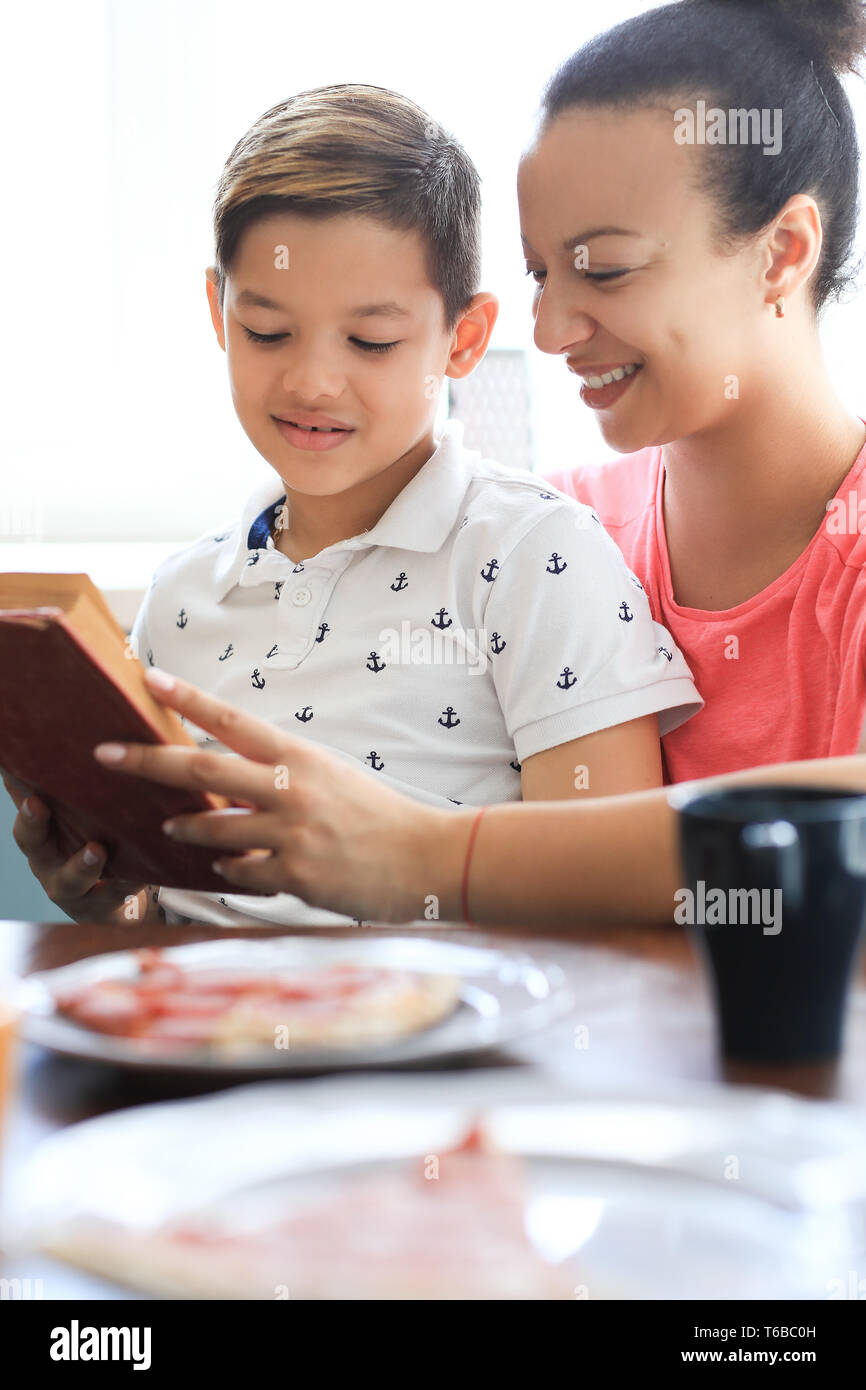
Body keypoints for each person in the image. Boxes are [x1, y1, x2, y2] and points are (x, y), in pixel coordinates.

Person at [2, 83, 700, 929]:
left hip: (434, 1039)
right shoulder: (183, 596)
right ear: (219, 311)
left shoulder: (534, 556)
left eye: (371, 341)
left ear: (465, 339)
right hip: (192, 1035)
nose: (311, 382)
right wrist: (111, 897)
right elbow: (168, 909)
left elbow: (612, 895)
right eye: (267, 331)